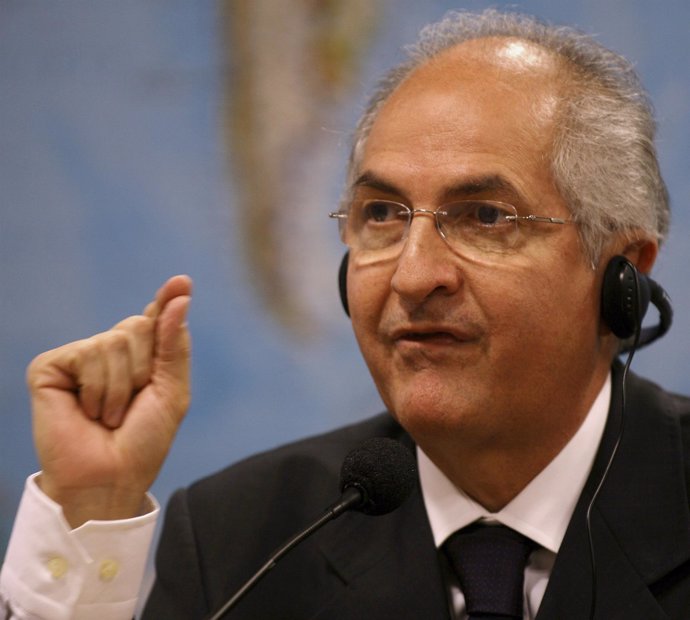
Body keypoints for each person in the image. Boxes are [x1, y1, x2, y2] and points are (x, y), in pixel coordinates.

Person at [2, 8, 689, 619]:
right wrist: (92, 507)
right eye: (382, 215)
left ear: (622, 273)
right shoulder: (238, 539)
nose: (414, 275)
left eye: (484, 217)